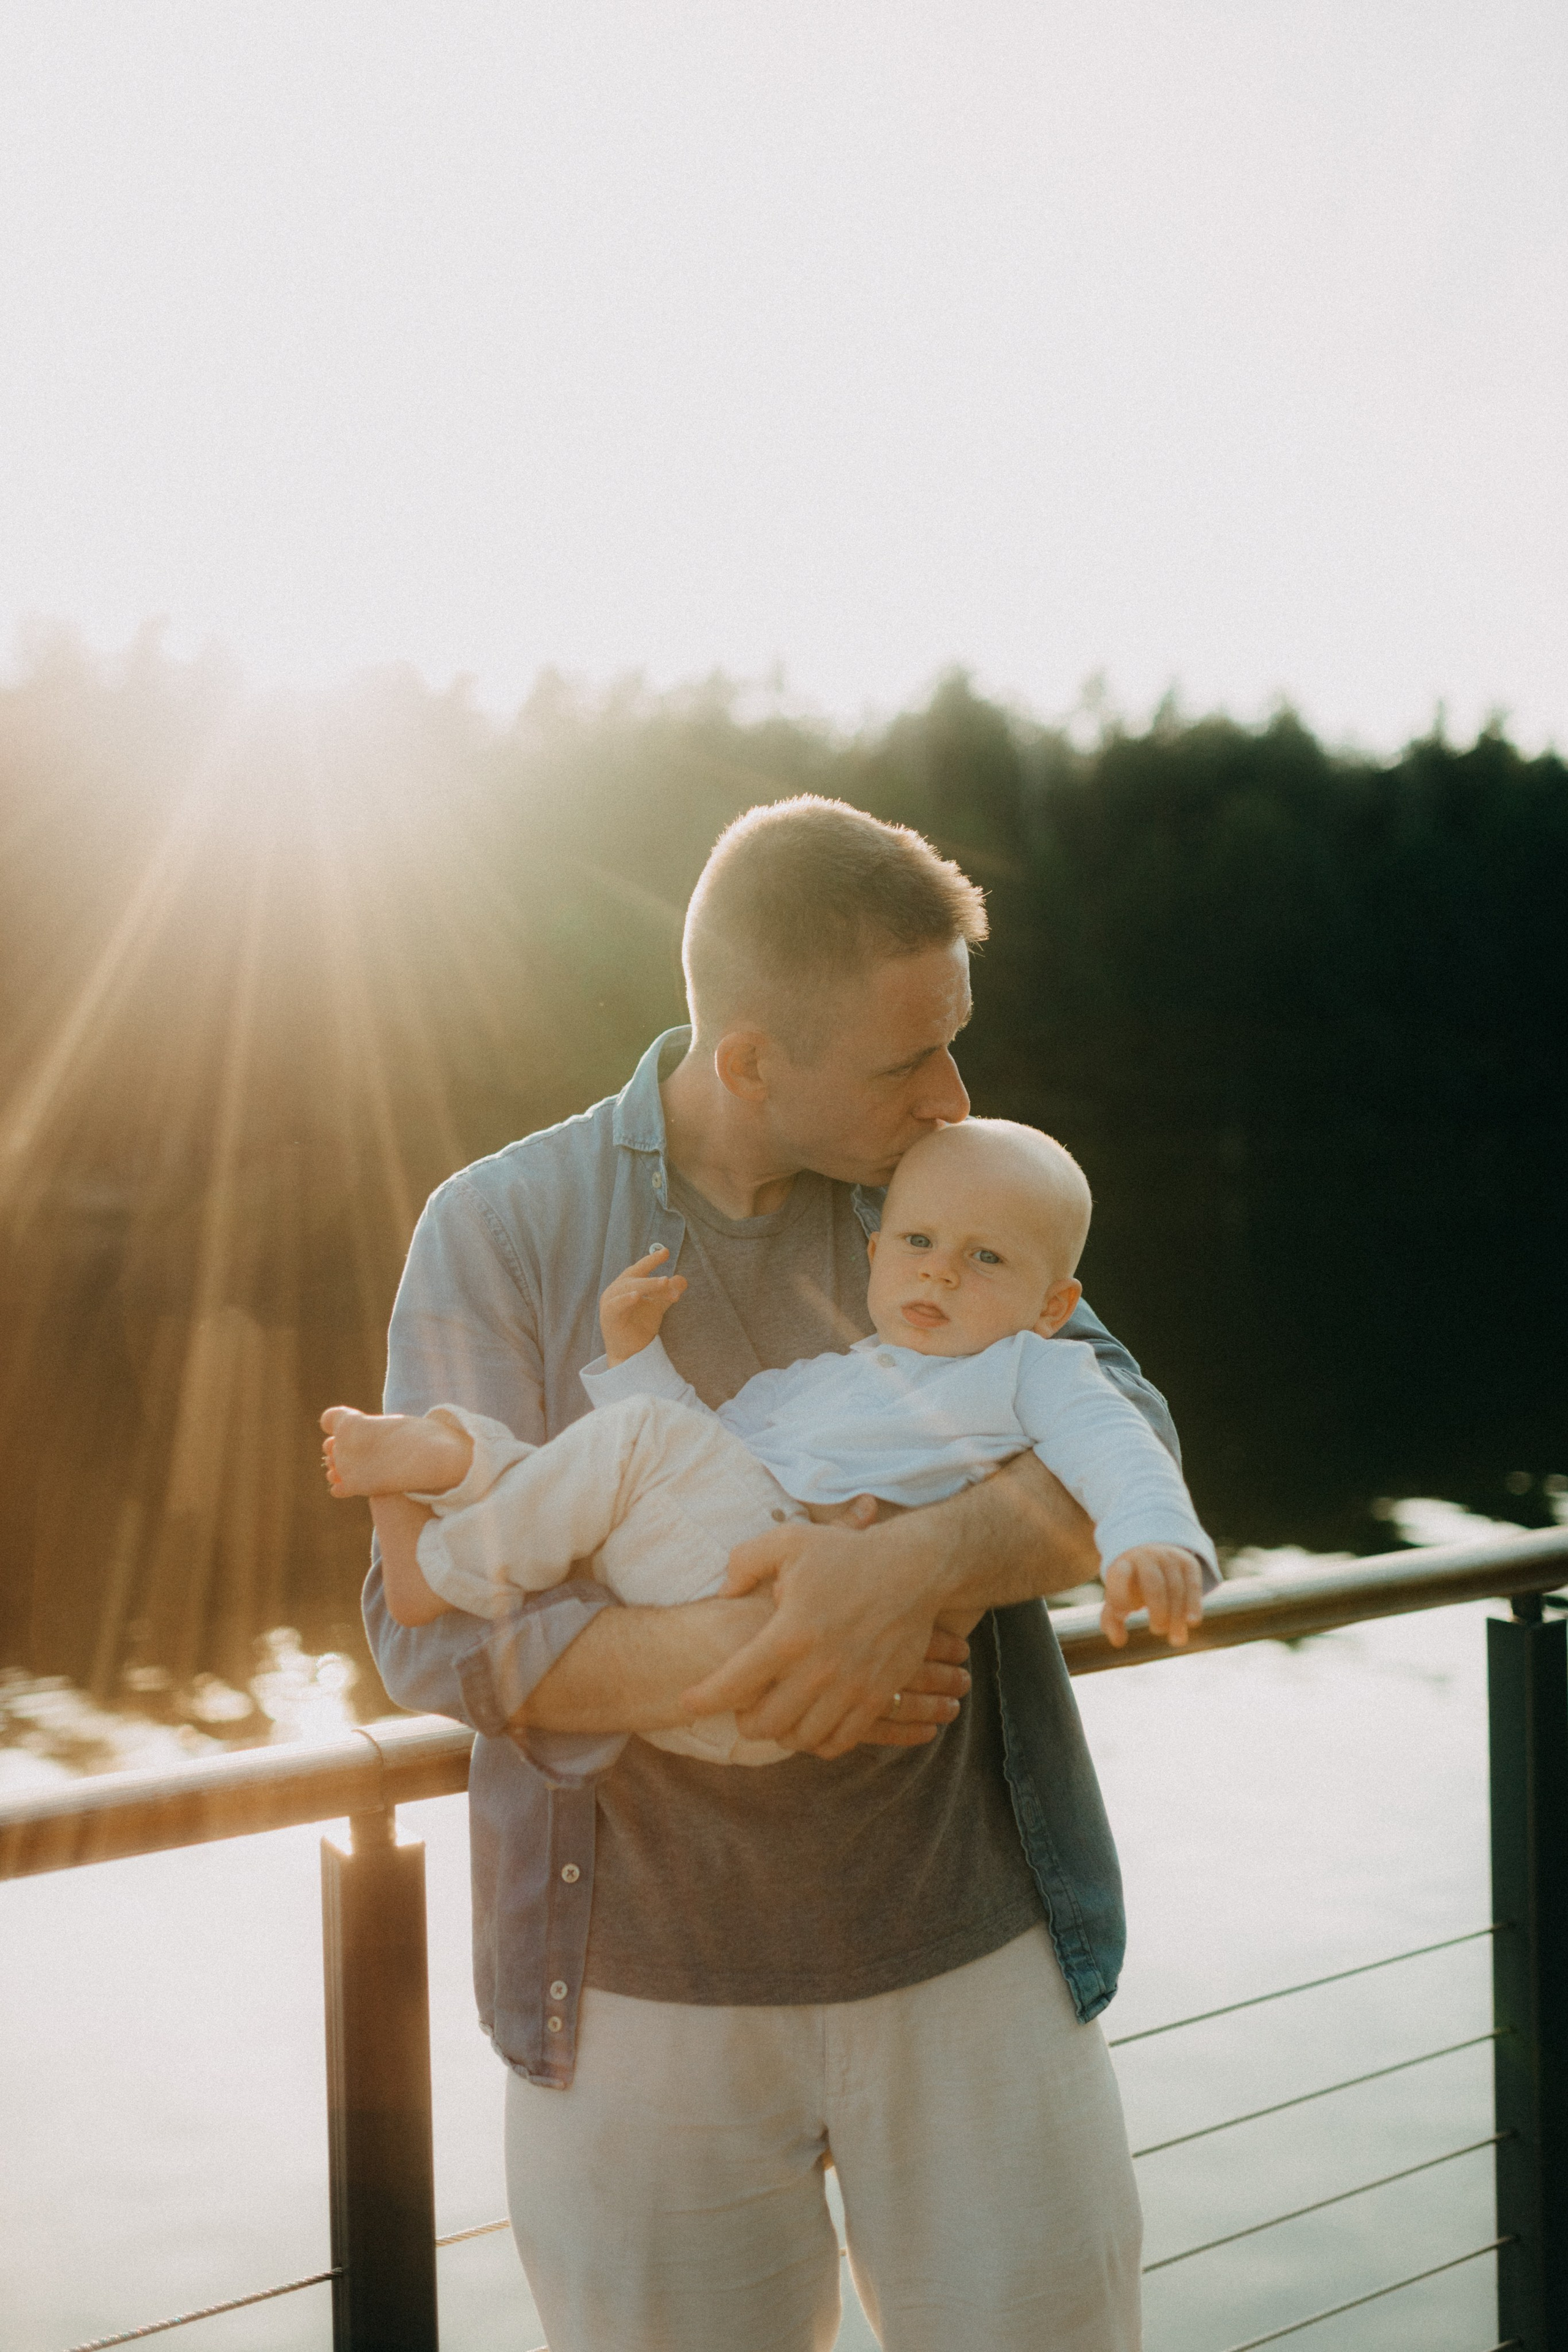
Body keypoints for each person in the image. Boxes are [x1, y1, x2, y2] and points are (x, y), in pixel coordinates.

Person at [362, 794, 1212, 2352]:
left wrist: (909, 1578)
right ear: (751, 1058)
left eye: (954, 1039)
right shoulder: (501, 1227)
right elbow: (426, 1638)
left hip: (976, 1970)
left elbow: (1122, 1434)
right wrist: (770, 1645)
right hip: (635, 2008)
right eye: (908, 1058)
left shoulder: (947, 1193)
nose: (953, 1090)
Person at [324, 1118, 1212, 1774]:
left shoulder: (1030, 1368)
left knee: (634, 1442)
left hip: (760, 1660)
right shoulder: (831, 1375)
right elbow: (712, 1450)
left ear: (1054, 1306)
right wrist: (635, 1355)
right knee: (602, 1459)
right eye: (918, 1243)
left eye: (987, 1261)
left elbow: (1117, 1438)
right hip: (723, 1612)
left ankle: (434, 1566)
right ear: (875, 1255)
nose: (941, 1270)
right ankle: (448, 1464)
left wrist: (1150, 1536)